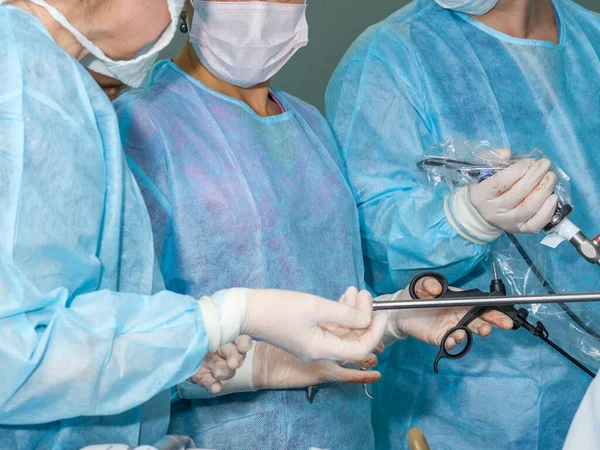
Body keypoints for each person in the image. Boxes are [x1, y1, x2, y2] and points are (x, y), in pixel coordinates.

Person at [115, 0, 512, 448]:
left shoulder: (309, 125)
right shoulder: (139, 125)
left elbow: (326, 287)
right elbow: (111, 345)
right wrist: (255, 366)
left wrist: (393, 317)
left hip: (343, 433)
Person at [0, 1, 393, 449]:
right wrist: (223, 323)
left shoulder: (309, 124)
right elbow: (22, 345)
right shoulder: (41, 89)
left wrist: (393, 317)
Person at [326, 0, 600, 448]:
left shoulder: (592, 41)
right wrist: (463, 218)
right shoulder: (392, 56)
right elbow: (369, 234)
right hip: (464, 414)